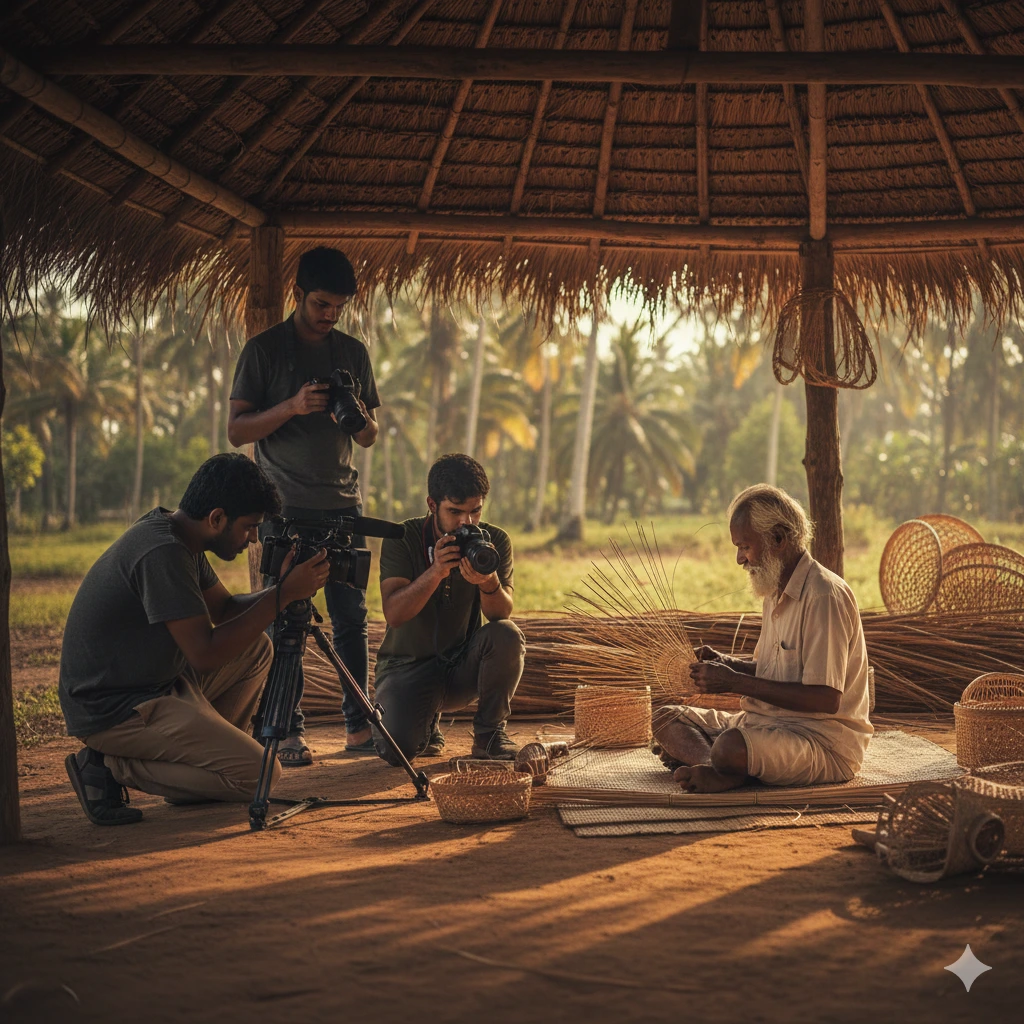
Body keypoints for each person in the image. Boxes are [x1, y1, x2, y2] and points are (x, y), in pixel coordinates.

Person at [59, 454, 331, 826]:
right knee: (262, 775)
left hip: (156, 685)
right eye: (249, 527)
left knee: (256, 649)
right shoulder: (163, 552)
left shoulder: (179, 536)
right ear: (217, 518)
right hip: (115, 709)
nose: (253, 538)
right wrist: (281, 596)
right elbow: (205, 654)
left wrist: (282, 586)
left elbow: (226, 609)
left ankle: (203, 773)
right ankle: (107, 765)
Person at [228, 246, 380, 765]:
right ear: (297, 293)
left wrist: (356, 417)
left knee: (351, 618)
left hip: (342, 505)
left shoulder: (353, 353)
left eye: (337, 307)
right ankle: (287, 729)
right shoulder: (264, 351)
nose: (328, 315)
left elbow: (370, 438)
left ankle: (358, 727)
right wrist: (292, 406)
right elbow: (236, 430)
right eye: (320, 304)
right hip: (283, 507)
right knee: (283, 618)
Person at [652, 484, 873, 793]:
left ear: (778, 539)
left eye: (744, 546)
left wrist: (733, 682)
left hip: (820, 742)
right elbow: (776, 673)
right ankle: (714, 766)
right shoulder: (774, 588)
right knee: (665, 718)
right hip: (762, 724)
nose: (740, 559)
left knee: (730, 746)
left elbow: (825, 697)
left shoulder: (823, 595)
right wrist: (729, 664)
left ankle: (724, 763)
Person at [372, 454, 525, 763]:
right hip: (406, 668)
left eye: (475, 511)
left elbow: (500, 614)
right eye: (455, 512)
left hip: (460, 669)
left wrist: (488, 581)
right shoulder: (405, 538)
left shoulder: (494, 541)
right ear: (432, 505)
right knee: (396, 750)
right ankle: (425, 724)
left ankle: (489, 735)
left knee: (507, 634)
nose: (466, 522)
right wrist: (436, 572)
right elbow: (395, 614)